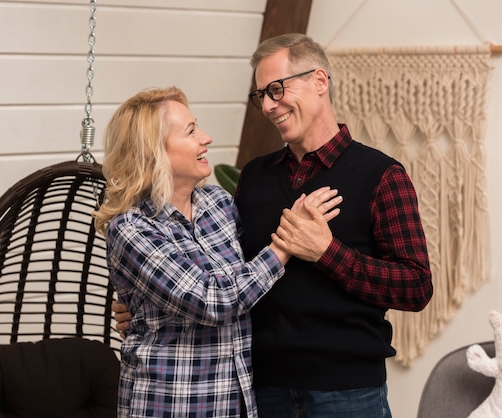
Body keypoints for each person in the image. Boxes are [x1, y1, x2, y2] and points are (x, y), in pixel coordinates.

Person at [114, 34, 433, 417]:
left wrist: (328, 253)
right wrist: (146, 309)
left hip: (347, 393)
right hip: (258, 391)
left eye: (277, 89)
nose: (267, 105)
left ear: (319, 81)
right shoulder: (254, 177)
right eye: (261, 94)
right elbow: (217, 275)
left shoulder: (380, 176)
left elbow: (416, 287)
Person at [93, 86, 342, 418]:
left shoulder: (219, 204)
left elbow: (250, 279)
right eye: (191, 131)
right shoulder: (132, 229)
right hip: (170, 405)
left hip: (234, 402)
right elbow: (215, 301)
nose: (206, 138)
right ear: (154, 151)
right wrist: (286, 242)